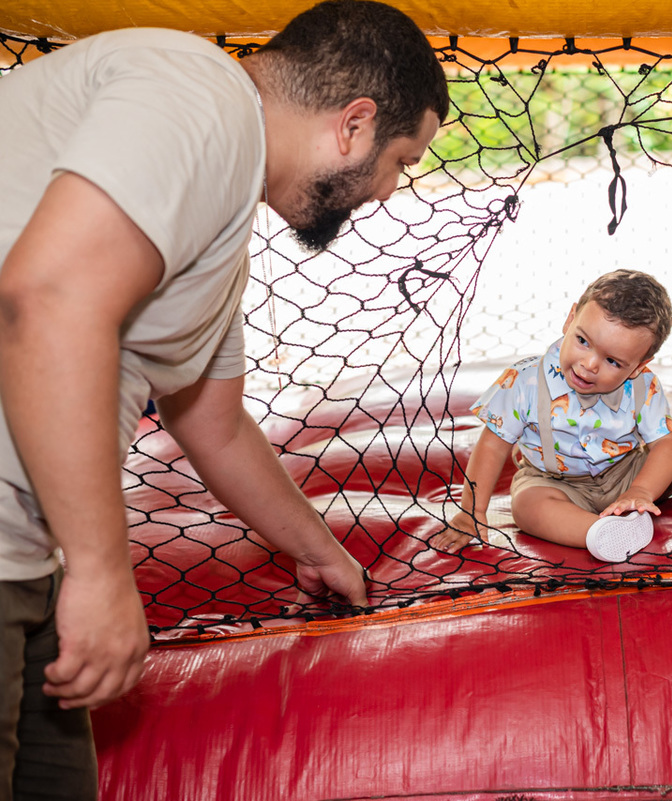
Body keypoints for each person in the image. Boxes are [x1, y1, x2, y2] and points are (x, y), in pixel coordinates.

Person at [0, 1, 448, 798]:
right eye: (401, 161)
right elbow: (46, 298)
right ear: (354, 125)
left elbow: (210, 417)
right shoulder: (198, 95)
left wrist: (318, 548)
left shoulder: (216, 208)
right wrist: (102, 571)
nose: (386, 192)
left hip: (27, 557)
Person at [432, 269, 672, 562]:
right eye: (583, 341)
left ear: (638, 366)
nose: (589, 364)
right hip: (556, 482)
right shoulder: (524, 381)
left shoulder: (643, 385)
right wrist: (473, 511)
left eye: (613, 361)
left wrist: (642, 490)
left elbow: (664, 445)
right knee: (527, 505)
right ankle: (600, 531)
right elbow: (492, 446)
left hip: (627, 472)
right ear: (570, 319)